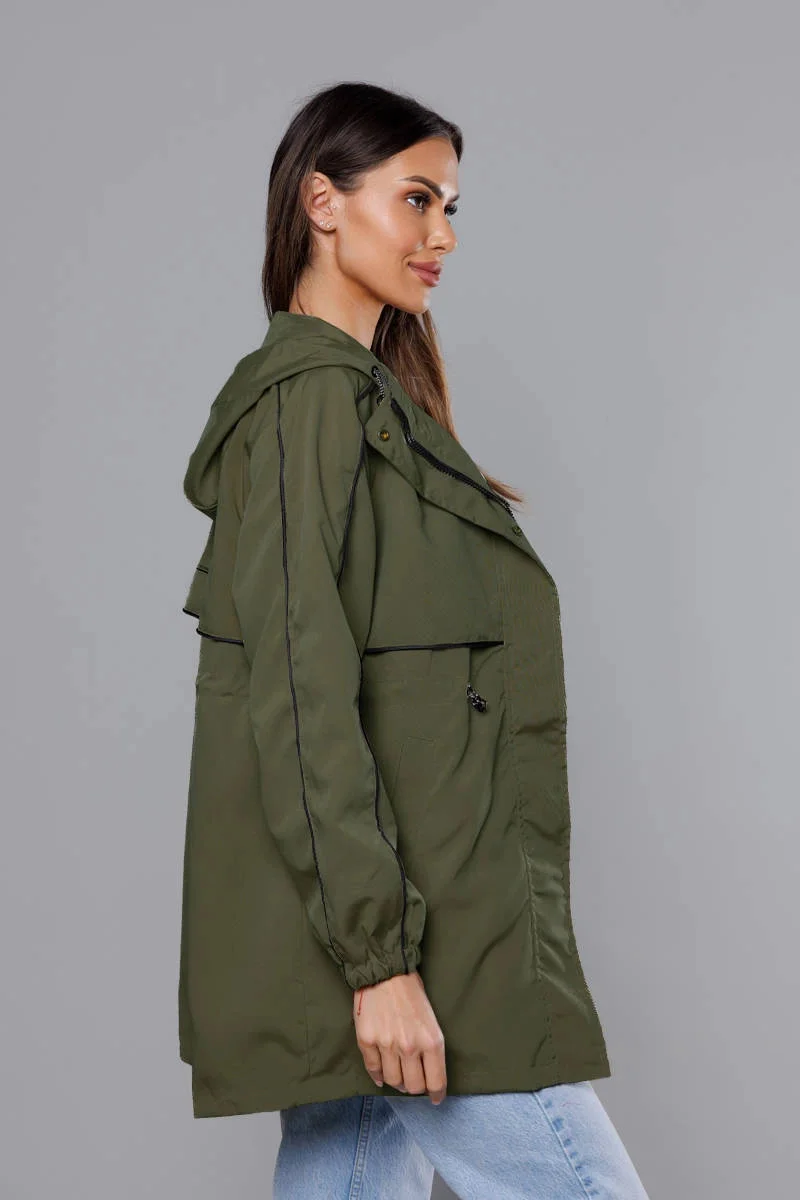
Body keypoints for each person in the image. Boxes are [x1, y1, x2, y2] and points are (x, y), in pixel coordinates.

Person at [178, 80, 650, 1199]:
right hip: (414, 945)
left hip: (413, 919)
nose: (442, 235)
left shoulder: (367, 403)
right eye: (417, 199)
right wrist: (379, 961)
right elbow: (299, 692)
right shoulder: (306, 403)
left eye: (451, 209)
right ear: (322, 203)